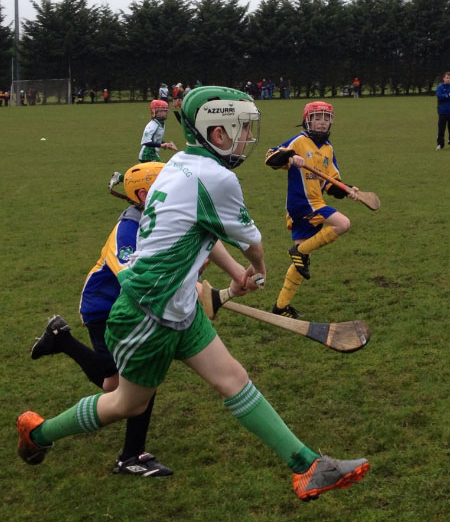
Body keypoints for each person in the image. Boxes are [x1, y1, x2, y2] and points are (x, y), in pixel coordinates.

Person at [17, 86, 369, 502]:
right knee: (124, 404)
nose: (246, 138)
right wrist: (255, 270)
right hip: (147, 314)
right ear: (216, 134)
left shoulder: (181, 163)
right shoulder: (218, 177)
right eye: (240, 129)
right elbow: (252, 242)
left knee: (233, 378)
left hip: (176, 306)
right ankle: (37, 433)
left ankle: (308, 466)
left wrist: (235, 275)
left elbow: (203, 226)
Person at [30, 162, 173, 477]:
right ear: (144, 193)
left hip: (120, 306)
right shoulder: (129, 228)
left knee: (115, 384)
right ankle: (130, 457)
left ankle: (61, 338)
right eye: (168, 185)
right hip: (105, 307)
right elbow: (133, 279)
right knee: (139, 377)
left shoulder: (156, 218)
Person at [265, 101, 360, 319]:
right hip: (303, 204)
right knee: (343, 224)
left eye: (326, 118)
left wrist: (347, 190)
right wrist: (290, 157)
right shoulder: (299, 141)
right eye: (317, 117)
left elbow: (330, 184)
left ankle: (280, 308)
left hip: (315, 202)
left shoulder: (328, 149)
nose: (322, 122)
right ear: (308, 120)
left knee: (301, 261)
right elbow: (270, 157)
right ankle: (298, 251)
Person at [435, 71, 450, 150]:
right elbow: (439, 96)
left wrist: (446, 97)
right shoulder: (440, 87)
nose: (448, 79)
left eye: (449, 78)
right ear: (443, 78)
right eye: (447, 78)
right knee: (441, 129)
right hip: (442, 112)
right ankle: (440, 144)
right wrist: (447, 95)